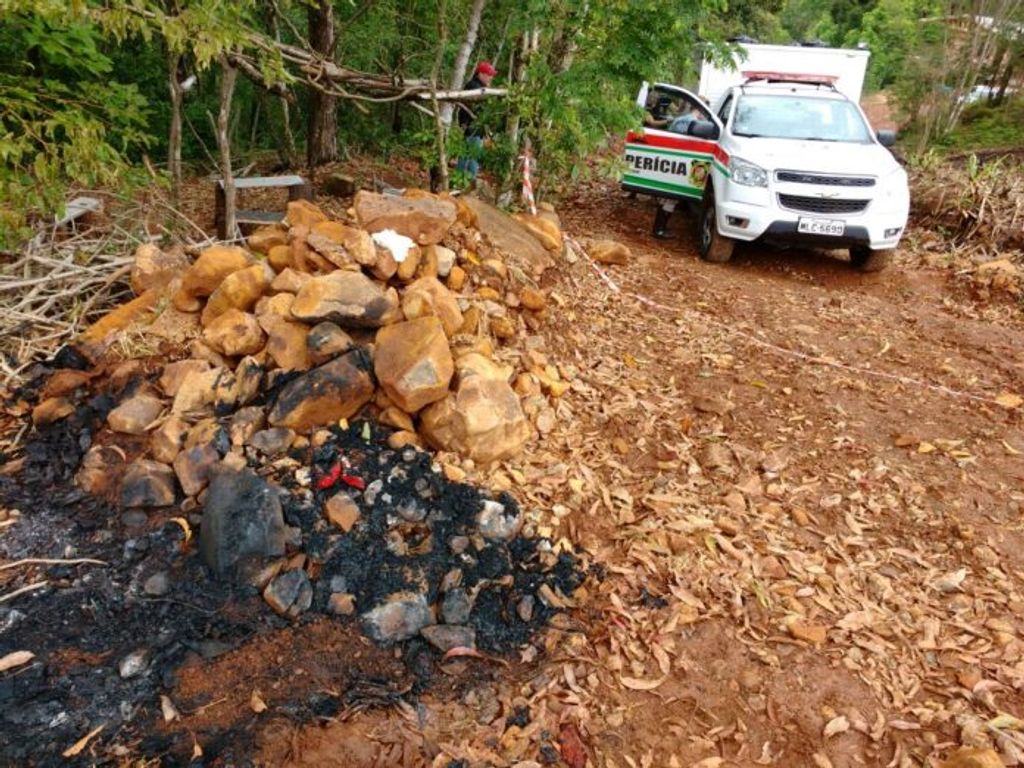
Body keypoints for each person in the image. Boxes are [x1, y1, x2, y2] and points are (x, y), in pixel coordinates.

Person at [455, 61, 498, 183]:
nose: (490, 78)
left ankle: (460, 183)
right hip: (472, 129)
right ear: (481, 74)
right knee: (471, 159)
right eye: (489, 75)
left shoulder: (477, 87)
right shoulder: (475, 87)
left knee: (467, 157)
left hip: (473, 128)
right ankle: (465, 184)